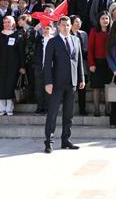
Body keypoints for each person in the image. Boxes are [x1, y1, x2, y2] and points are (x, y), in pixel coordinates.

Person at [43, 17, 85, 153]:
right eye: (63, 25)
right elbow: (47, 64)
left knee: (68, 114)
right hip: (56, 83)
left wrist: (81, 78)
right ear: (58, 27)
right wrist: (48, 82)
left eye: (68, 25)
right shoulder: (53, 41)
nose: (66, 27)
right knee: (53, 113)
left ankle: (66, 140)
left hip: (72, 82)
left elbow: (79, 61)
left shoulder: (76, 40)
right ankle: (49, 142)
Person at [0, 16, 25, 116]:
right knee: (0, 86)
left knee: (10, 87)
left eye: (9, 22)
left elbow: (21, 52)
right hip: (0, 66)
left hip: (13, 66)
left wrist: (22, 66)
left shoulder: (18, 35)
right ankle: (2, 109)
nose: (6, 24)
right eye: (5, 22)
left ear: (13, 23)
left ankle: (9, 109)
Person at [86, 11, 111, 116]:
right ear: (99, 20)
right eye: (103, 18)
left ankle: (108, 109)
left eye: (107, 18)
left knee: (108, 87)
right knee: (96, 87)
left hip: (109, 63)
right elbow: (90, 49)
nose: (105, 20)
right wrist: (91, 63)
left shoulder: (112, 31)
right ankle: (96, 110)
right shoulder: (94, 31)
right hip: (97, 62)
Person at [69, 15, 89, 116]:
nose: (78, 24)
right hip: (70, 66)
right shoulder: (67, 34)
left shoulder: (83, 34)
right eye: (76, 22)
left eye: (79, 22)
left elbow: (86, 48)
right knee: (71, 90)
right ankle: (69, 110)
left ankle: (82, 109)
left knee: (82, 89)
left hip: (82, 64)